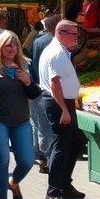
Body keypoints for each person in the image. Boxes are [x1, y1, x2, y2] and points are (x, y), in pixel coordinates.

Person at [0, 30, 40, 199]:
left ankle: (13, 183)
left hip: (21, 120)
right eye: (7, 45)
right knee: (3, 160)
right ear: (0, 47)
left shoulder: (25, 66)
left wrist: (28, 82)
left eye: (14, 45)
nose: (11, 48)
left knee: (26, 160)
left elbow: (35, 94)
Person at [38, 19, 87, 199]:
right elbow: (55, 83)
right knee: (62, 146)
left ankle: (64, 184)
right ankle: (53, 191)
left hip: (63, 102)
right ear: (62, 33)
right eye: (74, 34)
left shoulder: (59, 50)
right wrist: (64, 109)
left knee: (76, 143)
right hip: (59, 103)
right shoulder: (57, 52)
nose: (77, 38)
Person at [29, 14, 61, 174]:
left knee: (41, 124)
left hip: (38, 87)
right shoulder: (57, 43)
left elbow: (33, 64)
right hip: (53, 90)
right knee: (50, 127)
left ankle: (41, 156)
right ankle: (48, 159)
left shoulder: (37, 41)